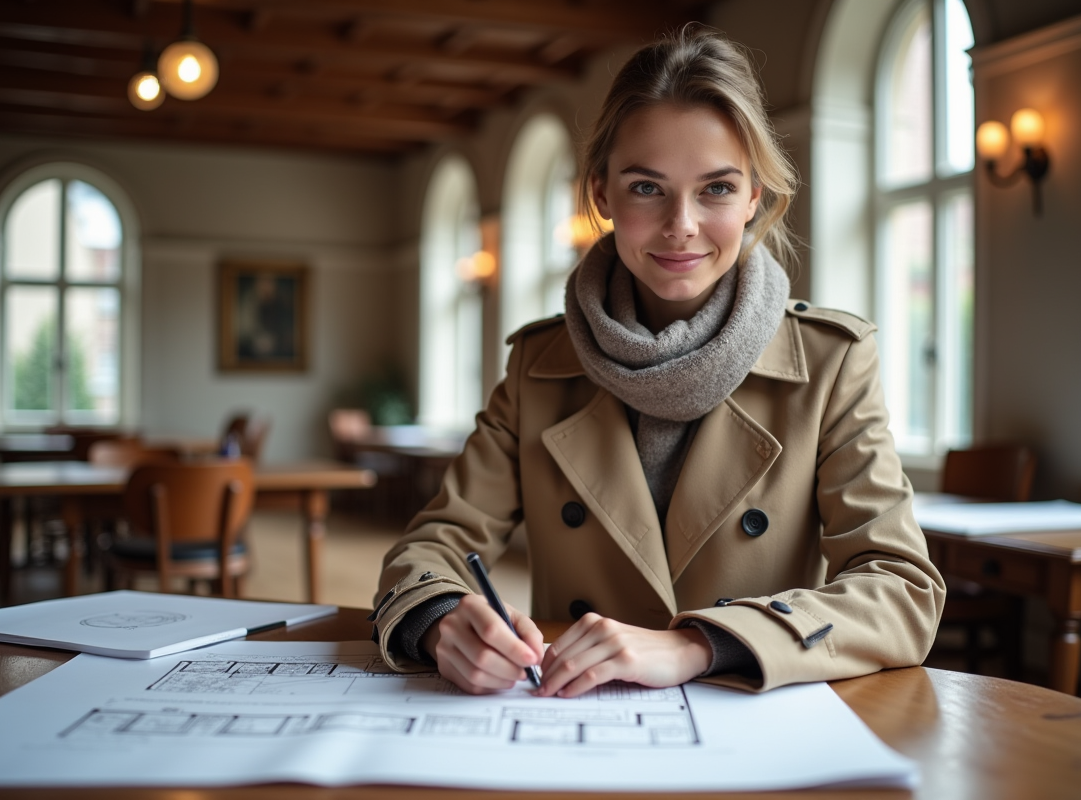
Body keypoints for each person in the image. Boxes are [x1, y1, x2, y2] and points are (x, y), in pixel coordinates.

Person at [371, 24, 945, 697]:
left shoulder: (832, 363)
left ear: (755, 196)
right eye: (647, 188)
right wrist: (444, 621)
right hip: (571, 719)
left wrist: (697, 646)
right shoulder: (538, 365)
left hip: (754, 722)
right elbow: (435, 543)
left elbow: (902, 591)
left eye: (718, 189)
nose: (682, 225)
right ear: (602, 194)